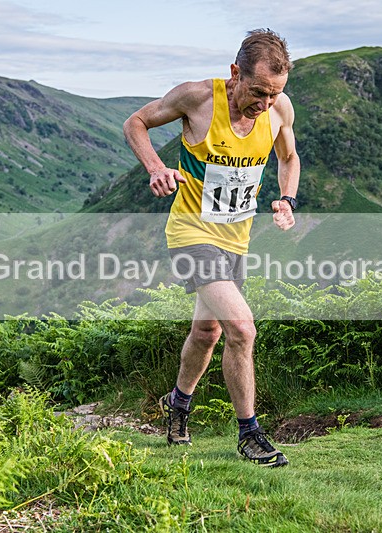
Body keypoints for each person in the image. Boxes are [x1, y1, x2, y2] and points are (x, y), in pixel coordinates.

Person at [123, 29, 300, 467]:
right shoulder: (197, 99)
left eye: (273, 94)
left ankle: (177, 406)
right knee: (243, 329)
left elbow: (289, 157)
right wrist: (157, 168)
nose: (264, 104)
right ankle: (249, 434)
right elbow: (136, 123)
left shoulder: (279, 109)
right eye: (257, 91)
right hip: (190, 233)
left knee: (208, 333)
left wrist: (286, 198)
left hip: (235, 240)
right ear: (235, 73)